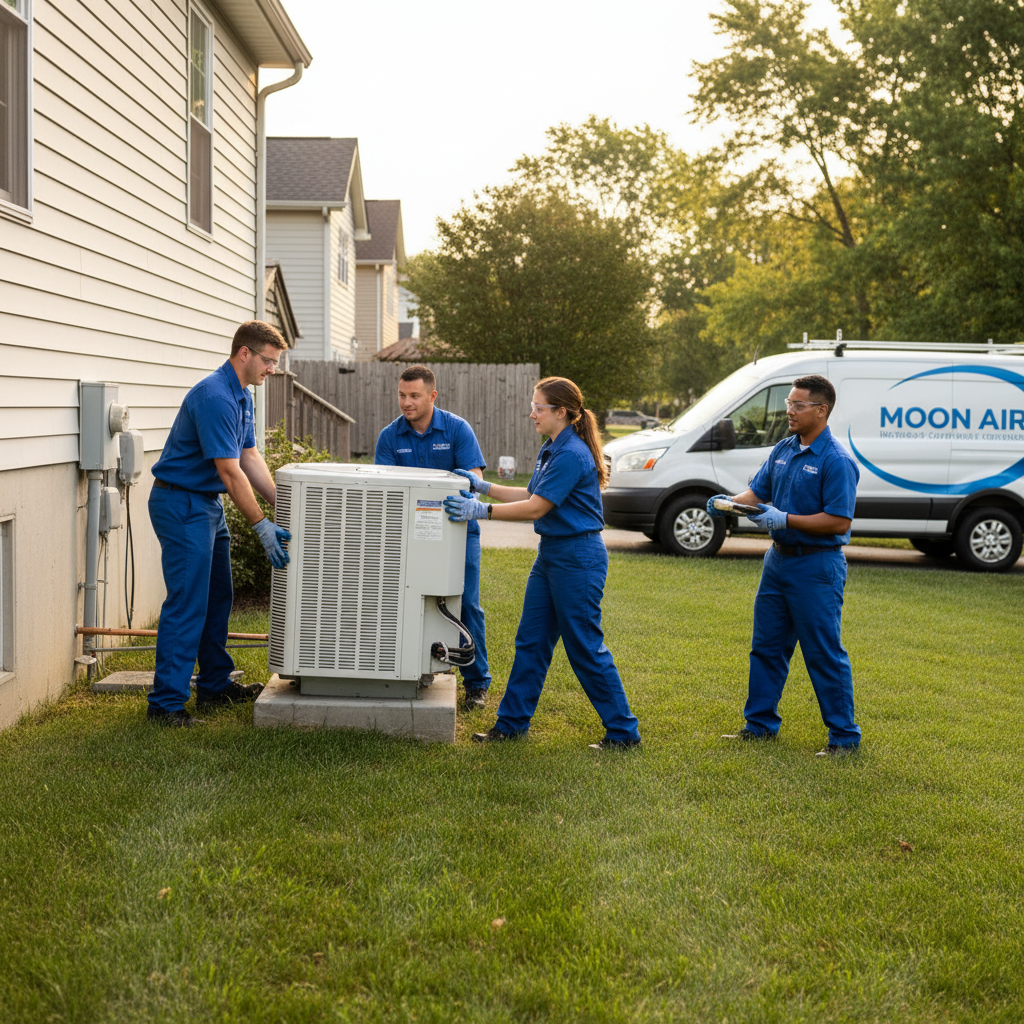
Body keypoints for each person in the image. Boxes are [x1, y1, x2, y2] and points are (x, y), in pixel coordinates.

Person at [444, 376, 641, 750]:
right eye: (532, 406)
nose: (532, 413)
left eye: (539, 408)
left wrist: (481, 510)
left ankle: (623, 732)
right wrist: (483, 486)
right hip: (551, 554)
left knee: (584, 646)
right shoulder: (552, 447)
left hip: (578, 558)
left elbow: (536, 508)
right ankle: (512, 725)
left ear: (561, 412)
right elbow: (532, 492)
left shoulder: (571, 454)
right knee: (531, 641)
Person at [146, 321, 291, 727]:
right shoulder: (215, 396)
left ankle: (214, 685)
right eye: (269, 361)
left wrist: (284, 506)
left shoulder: (241, 395)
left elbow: (249, 457)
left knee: (217, 598)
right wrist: (260, 525)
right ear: (244, 353)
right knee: (187, 602)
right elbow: (229, 472)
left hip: (205, 504)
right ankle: (166, 704)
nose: (273, 370)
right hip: (181, 502)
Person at [708, 374, 861, 756]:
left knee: (823, 652)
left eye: (798, 405)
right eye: (789, 403)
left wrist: (786, 519)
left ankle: (844, 738)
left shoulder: (836, 460)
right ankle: (760, 726)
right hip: (777, 562)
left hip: (817, 566)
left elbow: (839, 521)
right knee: (767, 647)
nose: (788, 410)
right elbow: (757, 492)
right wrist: (729, 502)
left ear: (821, 410)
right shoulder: (784, 448)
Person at [374, 365, 492, 708]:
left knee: (465, 604)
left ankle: (477, 683)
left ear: (432, 396)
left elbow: (473, 477)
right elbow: (385, 488)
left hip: (457, 532)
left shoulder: (456, 429)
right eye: (402, 395)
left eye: (414, 395)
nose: (406, 403)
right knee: (402, 600)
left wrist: (468, 497)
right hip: (407, 535)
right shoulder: (390, 437)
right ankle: (407, 670)